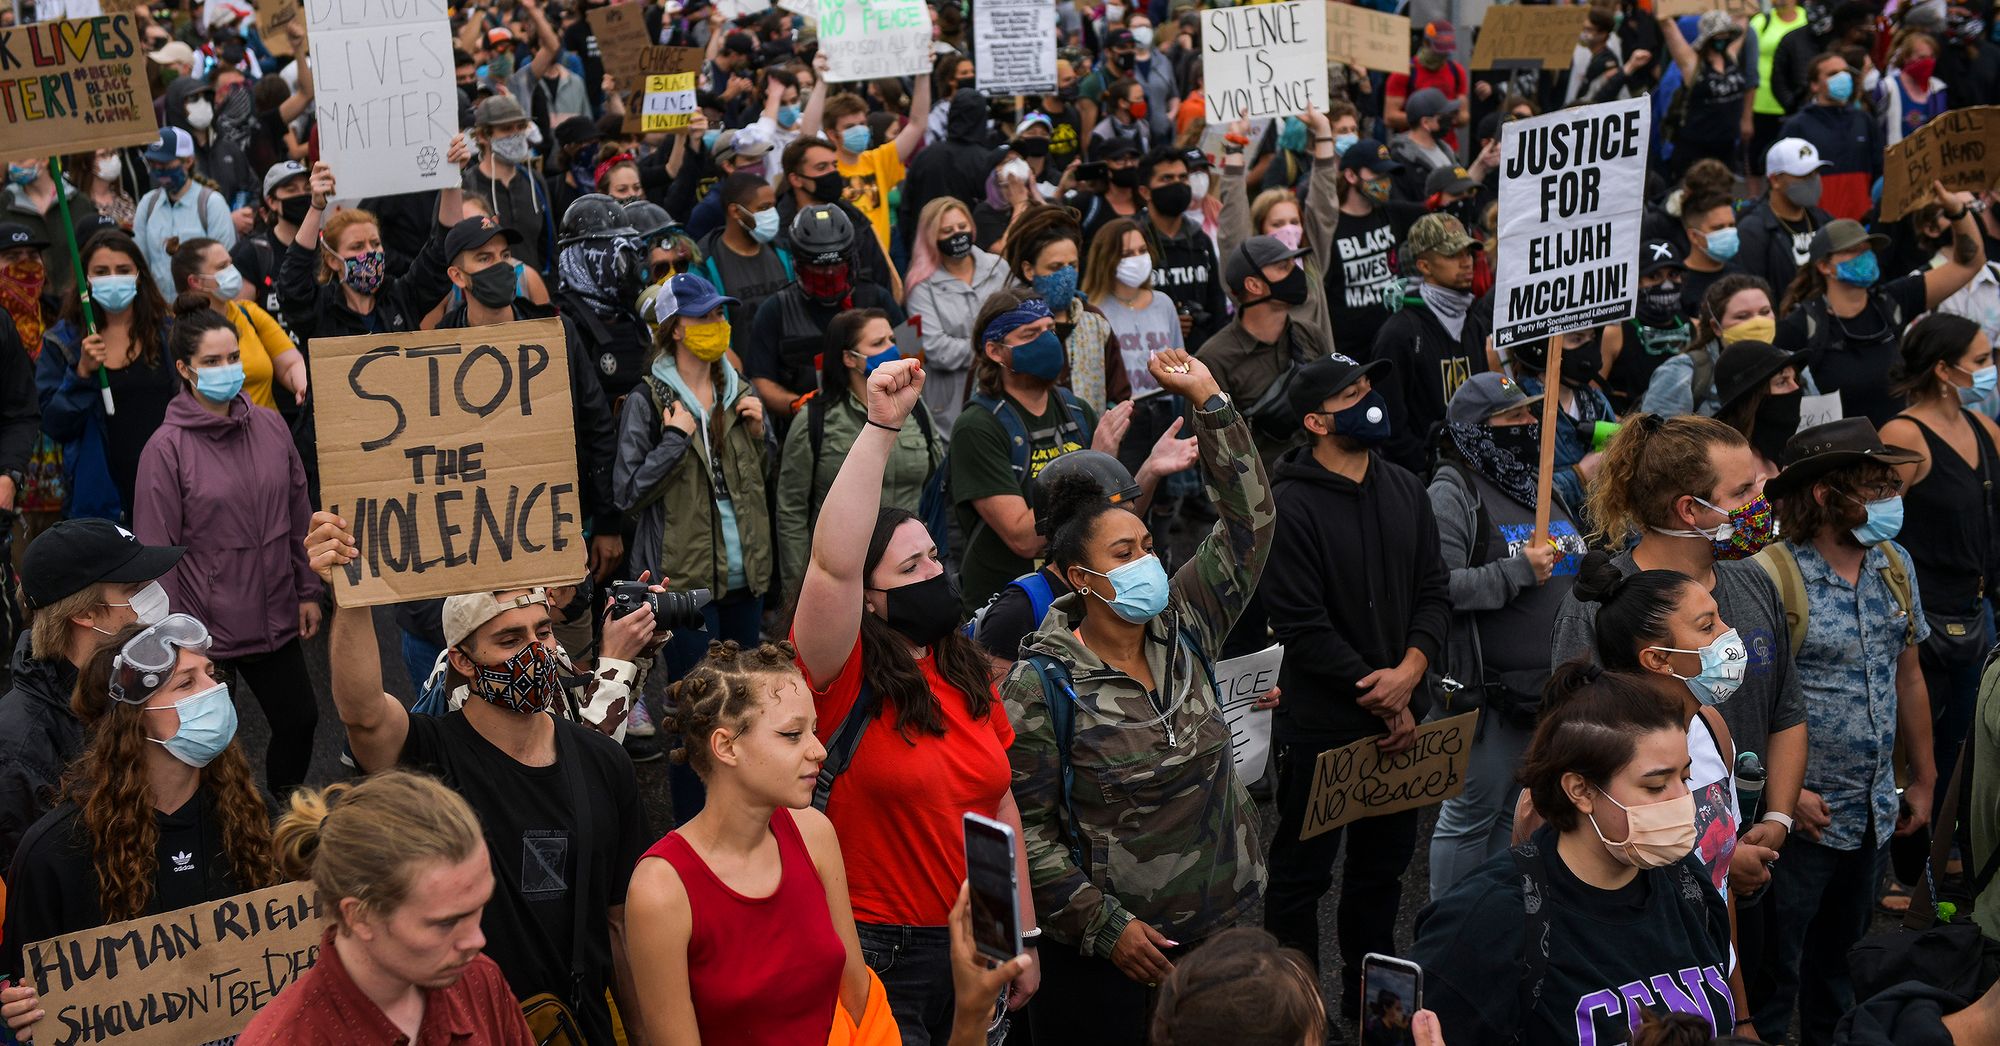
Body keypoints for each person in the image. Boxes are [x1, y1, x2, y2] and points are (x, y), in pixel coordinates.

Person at [1004, 348, 1272, 1045]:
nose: (1147, 563)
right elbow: (1026, 835)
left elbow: (1250, 526)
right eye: (1122, 555)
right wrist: (1105, 926)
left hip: (1228, 930)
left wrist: (1211, 400)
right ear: (1075, 578)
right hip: (1125, 960)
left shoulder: (1185, 623)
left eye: (1147, 545)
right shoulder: (1040, 686)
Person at [310, 525, 652, 1046]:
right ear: (464, 662)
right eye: (510, 640)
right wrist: (351, 592)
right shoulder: (428, 757)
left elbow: (620, 926)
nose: (535, 653)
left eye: (543, 633)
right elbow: (362, 713)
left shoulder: (603, 762)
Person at [787, 356, 1036, 1040]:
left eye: (935, 556)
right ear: (868, 600)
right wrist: (881, 427)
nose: (935, 572)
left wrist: (1018, 930)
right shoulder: (839, 675)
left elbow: (1000, 805)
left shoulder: (965, 670)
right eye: (911, 567)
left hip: (979, 941)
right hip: (878, 954)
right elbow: (832, 561)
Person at [1261, 352, 1448, 1014]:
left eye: (1370, 388)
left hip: (1400, 720)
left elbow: (1433, 591)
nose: (1370, 401)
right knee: (1300, 879)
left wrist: (1412, 672)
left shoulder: (1404, 486)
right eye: (1351, 394)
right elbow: (1302, 627)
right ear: (1315, 421)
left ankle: (1373, 1010)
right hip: (1323, 728)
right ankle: (1298, 1010)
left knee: (1382, 876)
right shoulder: (1289, 505)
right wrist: (1382, 690)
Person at [1413, 666, 1733, 1043]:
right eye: (1656, 785)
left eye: (1684, 777)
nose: (1682, 800)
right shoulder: (1487, 923)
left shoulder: (1687, 884)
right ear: (1580, 790)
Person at [1, 616, 280, 1037]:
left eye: (210, 673)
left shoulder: (256, 814)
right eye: (185, 684)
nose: (216, 690)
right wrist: (21, 1006)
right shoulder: (54, 853)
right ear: (133, 717)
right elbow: (29, 985)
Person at [1754, 419, 1938, 1042]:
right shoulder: (1772, 576)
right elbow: (1744, 699)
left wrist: (1922, 778)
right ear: (1825, 495)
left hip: (1871, 812)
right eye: (1874, 489)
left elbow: (1908, 675)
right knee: (1773, 971)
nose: (1891, 502)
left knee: (1844, 968)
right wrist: (1780, 798)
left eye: (1893, 487)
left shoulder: (1894, 563)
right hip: (1801, 819)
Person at [624, 641, 877, 1043]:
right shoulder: (661, 889)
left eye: (815, 730)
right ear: (726, 746)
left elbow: (858, 997)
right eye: (793, 735)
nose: (819, 750)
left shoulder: (814, 834)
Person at [133, 298, 321, 800]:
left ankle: (283, 817)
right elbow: (157, 552)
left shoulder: (270, 424)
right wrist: (176, 638)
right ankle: (223, 844)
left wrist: (308, 590)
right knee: (209, 749)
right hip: (206, 632)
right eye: (213, 362)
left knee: (302, 720)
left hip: (276, 612)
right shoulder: (165, 449)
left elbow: (300, 509)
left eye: (233, 357)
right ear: (184, 369)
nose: (227, 369)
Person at [1572, 552, 1759, 1019]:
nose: (1728, 637)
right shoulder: (1600, 759)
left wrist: (1741, 1013)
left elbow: (1720, 886)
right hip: (1637, 1002)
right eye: (1707, 626)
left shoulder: (1713, 728)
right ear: (1656, 658)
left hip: (1707, 989)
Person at [1426, 373, 1580, 896]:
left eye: (1532, 414)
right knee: (1469, 818)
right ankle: (1446, 932)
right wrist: (1515, 574)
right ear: (1477, 430)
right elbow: (1435, 587)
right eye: (1514, 417)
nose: (1530, 425)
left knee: (1506, 819)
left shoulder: (1539, 485)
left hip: (1547, 693)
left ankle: (1487, 921)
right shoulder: (1454, 491)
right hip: (1491, 697)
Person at [242, 771, 536, 1044]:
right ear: (359, 916)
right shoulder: (288, 1037)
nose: (477, 941)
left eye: (478, 908)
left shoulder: (480, 980)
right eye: (446, 923)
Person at [615, 271, 771, 780]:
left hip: (744, 573)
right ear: (676, 329)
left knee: (745, 707)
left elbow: (751, 483)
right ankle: (692, 828)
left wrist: (760, 434)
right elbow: (628, 492)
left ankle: (744, 815)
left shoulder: (736, 387)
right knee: (695, 712)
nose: (717, 324)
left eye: (720, 314)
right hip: (684, 583)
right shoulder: (649, 400)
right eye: (705, 316)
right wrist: (675, 439)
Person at [0, 521, 182, 869]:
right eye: (134, 588)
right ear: (84, 613)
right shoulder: (18, 754)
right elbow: (36, 891)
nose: (156, 595)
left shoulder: (132, 685)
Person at [1880, 313, 2000, 810]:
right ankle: (1911, 868)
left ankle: (1951, 853)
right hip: (1923, 626)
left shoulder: (1987, 428)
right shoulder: (1905, 435)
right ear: (1945, 371)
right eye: (1982, 360)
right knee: (1916, 755)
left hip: (1977, 616)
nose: (1991, 368)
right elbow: (1872, 522)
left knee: (1967, 747)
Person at [951, 288, 1125, 613]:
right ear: (996, 351)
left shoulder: (1077, 410)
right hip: (1011, 609)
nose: (1047, 341)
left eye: (1049, 330)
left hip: (1078, 597)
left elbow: (1113, 512)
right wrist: (1092, 467)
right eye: (1031, 333)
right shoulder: (977, 427)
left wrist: (1153, 469)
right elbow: (1024, 539)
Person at [776, 308, 943, 599]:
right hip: (844, 576)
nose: (891, 348)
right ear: (849, 357)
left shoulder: (915, 408)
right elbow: (791, 509)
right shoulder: (815, 418)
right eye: (878, 343)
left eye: (892, 338)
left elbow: (936, 485)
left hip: (910, 571)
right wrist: (799, 590)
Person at [1775, 203, 1984, 425]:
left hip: (1901, 448)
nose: (1864, 257)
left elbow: (1970, 264)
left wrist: (1958, 211)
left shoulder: (1893, 300)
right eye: (1853, 251)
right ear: (1825, 266)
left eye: (1867, 250)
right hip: (1841, 455)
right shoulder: (1801, 326)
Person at [37, 229, 178, 523]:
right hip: (98, 500)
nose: (112, 278)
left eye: (123, 270)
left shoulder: (168, 333)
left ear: (139, 274)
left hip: (166, 486)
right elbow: (54, 423)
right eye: (101, 271)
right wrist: (81, 374)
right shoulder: (62, 343)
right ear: (85, 279)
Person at [748, 203, 905, 420]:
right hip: (808, 428)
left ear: (851, 262)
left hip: (881, 416)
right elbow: (761, 379)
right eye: (819, 268)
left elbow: (912, 354)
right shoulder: (774, 311)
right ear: (798, 265)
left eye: (837, 266)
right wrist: (798, 406)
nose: (829, 273)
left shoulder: (878, 299)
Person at [1370, 212, 1493, 476]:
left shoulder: (1473, 321)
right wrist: (1427, 464)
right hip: (1425, 479)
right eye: (1453, 255)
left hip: (1475, 469)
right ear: (1424, 266)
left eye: (1469, 253)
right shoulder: (1399, 332)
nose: (1466, 262)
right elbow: (1389, 424)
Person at [1219, 111, 1341, 339]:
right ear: (1260, 230)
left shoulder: (1311, 260)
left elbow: (1324, 205)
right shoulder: (1249, 276)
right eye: (1277, 223)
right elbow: (1232, 224)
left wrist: (1323, 131)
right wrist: (1235, 145)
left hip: (1315, 368)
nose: (1289, 229)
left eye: (1294, 222)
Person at [999, 205, 1129, 413]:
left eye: (1073, 265)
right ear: (1029, 270)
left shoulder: (1094, 322)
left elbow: (1119, 393)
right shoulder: (1007, 327)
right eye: (1056, 267)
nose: (1067, 275)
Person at [905, 196, 1010, 433]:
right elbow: (936, 348)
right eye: (947, 230)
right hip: (951, 399)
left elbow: (1017, 319)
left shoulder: (998, 266)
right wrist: (996, 349)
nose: (957, 235)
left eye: (962, 227)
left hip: (1005, 383)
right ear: (932, 237)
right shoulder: (920, 285)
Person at [801, 74, 932, 258]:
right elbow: (806, 138)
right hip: (842, 261)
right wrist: (822, 81)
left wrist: (923, 74)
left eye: (862, 124)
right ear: (832, 134)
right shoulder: (824, 168)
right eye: (849, 127)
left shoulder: (879, 160)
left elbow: (918, 124)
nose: (859, 130)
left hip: (880, 261)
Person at [169, 237, 305, 411]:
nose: (233, 272)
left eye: (230, 264)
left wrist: (302, 386)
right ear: (196, 281)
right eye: (222, 267)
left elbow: (290, 363)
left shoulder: (248, 312)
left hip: (266, 430)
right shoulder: (178, 331)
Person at [553, 193, 652, 404]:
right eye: (609, 246)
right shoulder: (560, 326)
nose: (625, 260)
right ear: (579, 256)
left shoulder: (635, 316)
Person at [1510, 329, 1619, 512]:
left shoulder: (1596, 401)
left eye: (1592, 338)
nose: (1588, 347)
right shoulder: (1521, 413)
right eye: (1577, 338)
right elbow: (1518, 493)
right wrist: (1580, 476)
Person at [1646, 274, 1782, 418]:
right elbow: (1654, 437)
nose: (1758, 323)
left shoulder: (1792, 366)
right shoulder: (1682, 373)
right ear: (1715, 327)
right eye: (1742, 316)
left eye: (1765, 312)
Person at [1136, 147, 1228, 354]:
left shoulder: (1200, 240)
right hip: (1149, 359)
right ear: (1145, 192)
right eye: (1167, 178)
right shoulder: (1132, 241)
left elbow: (1217, 304)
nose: (1178, 184)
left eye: (1183, 177)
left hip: (1202, 356)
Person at [690, 171, 792, 356]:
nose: (772, 214)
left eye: (773, 207)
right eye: (764, 208)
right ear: (736, 211)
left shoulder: (783, 251)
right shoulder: (705, 264)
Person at [134, 128, 238, 299]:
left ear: (188, 161)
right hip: (160, 313)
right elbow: (141, 262)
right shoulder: (147, 204)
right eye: (153, 164)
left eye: (166, 164)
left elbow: (224, 267)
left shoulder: (211, 204)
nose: (159, 170)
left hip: (202, 310)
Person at [1779, 54, 1884, 221]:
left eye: (1844, 71)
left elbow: (1880, 167)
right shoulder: (1797, 125)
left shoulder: (1864, 120)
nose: (1842, 77)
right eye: (1833, 74)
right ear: (1814, 85)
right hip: (1819, 224)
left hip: (1862, 223)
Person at [1658, 11, 1752, 177]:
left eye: (1726, 34)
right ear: (1708, 38)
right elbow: (1666, 24)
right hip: (1696, 149)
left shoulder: (1730, 56)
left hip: (1726, 147)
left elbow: (1743, 14)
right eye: (1718, 35)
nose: (1723, 38)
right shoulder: (1692, 64)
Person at [464, 95, 553, 271]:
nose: (516, 134)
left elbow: (550, 245)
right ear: (482, 135)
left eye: (521, 127)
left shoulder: (535, 181)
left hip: (535, 292)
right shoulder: (467, 186)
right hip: (487, 293)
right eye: (506, 129)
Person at [1737, 138, 1834, 297]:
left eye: (1816, 173)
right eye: (1804, 175)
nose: (1813, 181)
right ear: (1775, 180)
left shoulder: (1825, 220)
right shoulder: (1753, 231)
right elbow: (1752, 292)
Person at [1712, 340, 1812, 477]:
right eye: (1782, 381)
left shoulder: (1792, 455)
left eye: (1795, 379)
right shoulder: (1728, 469)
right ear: (1753, 400)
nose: (1796, 388)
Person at [1385, 21, 1469, 148]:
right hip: (1413, 149)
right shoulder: (1404, 72)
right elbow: (1389, 116)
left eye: (1446, 52)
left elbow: (1464, 114)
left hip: (1448, 148)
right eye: (1438, 51)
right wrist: (1426, 121)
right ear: (1425, 43)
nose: (1442, 56)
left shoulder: (1457, 71)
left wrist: (1450, 119)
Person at [1873, 31, 1947, 144]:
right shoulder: (1887, 88)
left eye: (1931, 57)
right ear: (1906, 57)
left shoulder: (1938, 90)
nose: (1928, 62)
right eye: (1922, 57)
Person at [1678, 191, 1744, 313]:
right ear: (1694, 236)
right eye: (1718, 228)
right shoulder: (1679, 283)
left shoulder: (1741, 275)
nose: (1728, 232)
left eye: (1731, 225)